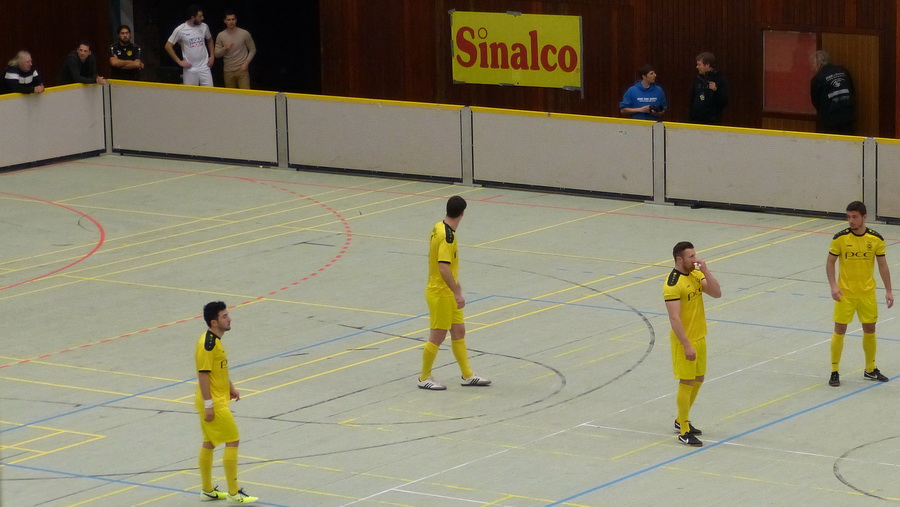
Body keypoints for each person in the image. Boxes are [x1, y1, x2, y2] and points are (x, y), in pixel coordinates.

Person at [418, 196, 491, 390]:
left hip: (447, 293)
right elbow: (443, 267)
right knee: (438, 335)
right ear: (462, 213)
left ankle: (467, 375)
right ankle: (423, 377)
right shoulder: (448, 237)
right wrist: (457, 291)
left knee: (459, 331)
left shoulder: (438, 226)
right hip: (441, 293)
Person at [194, 301, 259, 503]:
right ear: (214, 322)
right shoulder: (207, 345)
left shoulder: (216, 340)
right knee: (233, 439)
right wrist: (209, 405)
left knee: (210, 442)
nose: (229, 319)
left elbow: (218, 369)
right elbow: (203, 375)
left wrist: (230, 387)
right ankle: (233, 493)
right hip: (213, 403)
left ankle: (207, 491)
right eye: (224, 316)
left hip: (217, 399)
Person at [826, 201, 893, 387]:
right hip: (845, 295)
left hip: (867, 294)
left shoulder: (876, 239)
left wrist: (888, 290)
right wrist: (833, 286)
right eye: (848, 217)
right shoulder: (840, 238)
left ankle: (870, 369)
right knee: (840, 330)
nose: (851, 221)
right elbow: (830, 262)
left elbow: (883, 266)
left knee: (870, 330)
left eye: (855, 217)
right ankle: (834, 371)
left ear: (864, 217)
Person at [664, 241, 722, 447]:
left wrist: (706, 271)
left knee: (699, 378)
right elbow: (674, 318)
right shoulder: (673, 284)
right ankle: (684, 431)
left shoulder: (696, 274)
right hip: (685, 340)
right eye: (691, 257)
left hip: (700, 336)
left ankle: (681, 419)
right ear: (679, 259)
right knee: (687, 381)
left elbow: (716, 293)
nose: (695, 260)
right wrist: (686, 345)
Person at [165, 4, 215, 86]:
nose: (202, 18)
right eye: (200, 16)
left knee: (209, 91)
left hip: (204, 66)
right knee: (190, 92)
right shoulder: (180, 29)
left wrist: (212, 56)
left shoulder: (204, 27)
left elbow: (210, 40)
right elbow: (168, 46)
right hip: (190, 68)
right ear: (193, 17)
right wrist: (179, 61)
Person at [810, 50, 856, 135]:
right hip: (847, 113)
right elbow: (851, 89)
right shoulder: (843, 70)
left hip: (830, 116)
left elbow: (815, 101)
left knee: (831, 141)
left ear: (818, 63)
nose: (813, 67)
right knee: (847, 140)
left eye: (813, 63)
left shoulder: (817, 78)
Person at [215, 9, 256, 89]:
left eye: (233, 19)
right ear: (225, 21)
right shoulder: (221, 35)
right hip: (228, 71)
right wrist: (224, 48)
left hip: (242, 70)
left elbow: (252, 49)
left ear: (236, 20)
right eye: (229, 20)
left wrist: (246, 63)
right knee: (230, 95)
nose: (231, 22)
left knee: (245, 94)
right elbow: (216, 54)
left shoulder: (244, 33)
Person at [689, 52, 729, 125]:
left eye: (699, 65)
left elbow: (724, 101)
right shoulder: (698, 79)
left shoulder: (720, 79)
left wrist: (715, 90)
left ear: (707, 65)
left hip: (712, 121)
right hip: (695, 120)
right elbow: (692, 99)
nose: (697, 67)